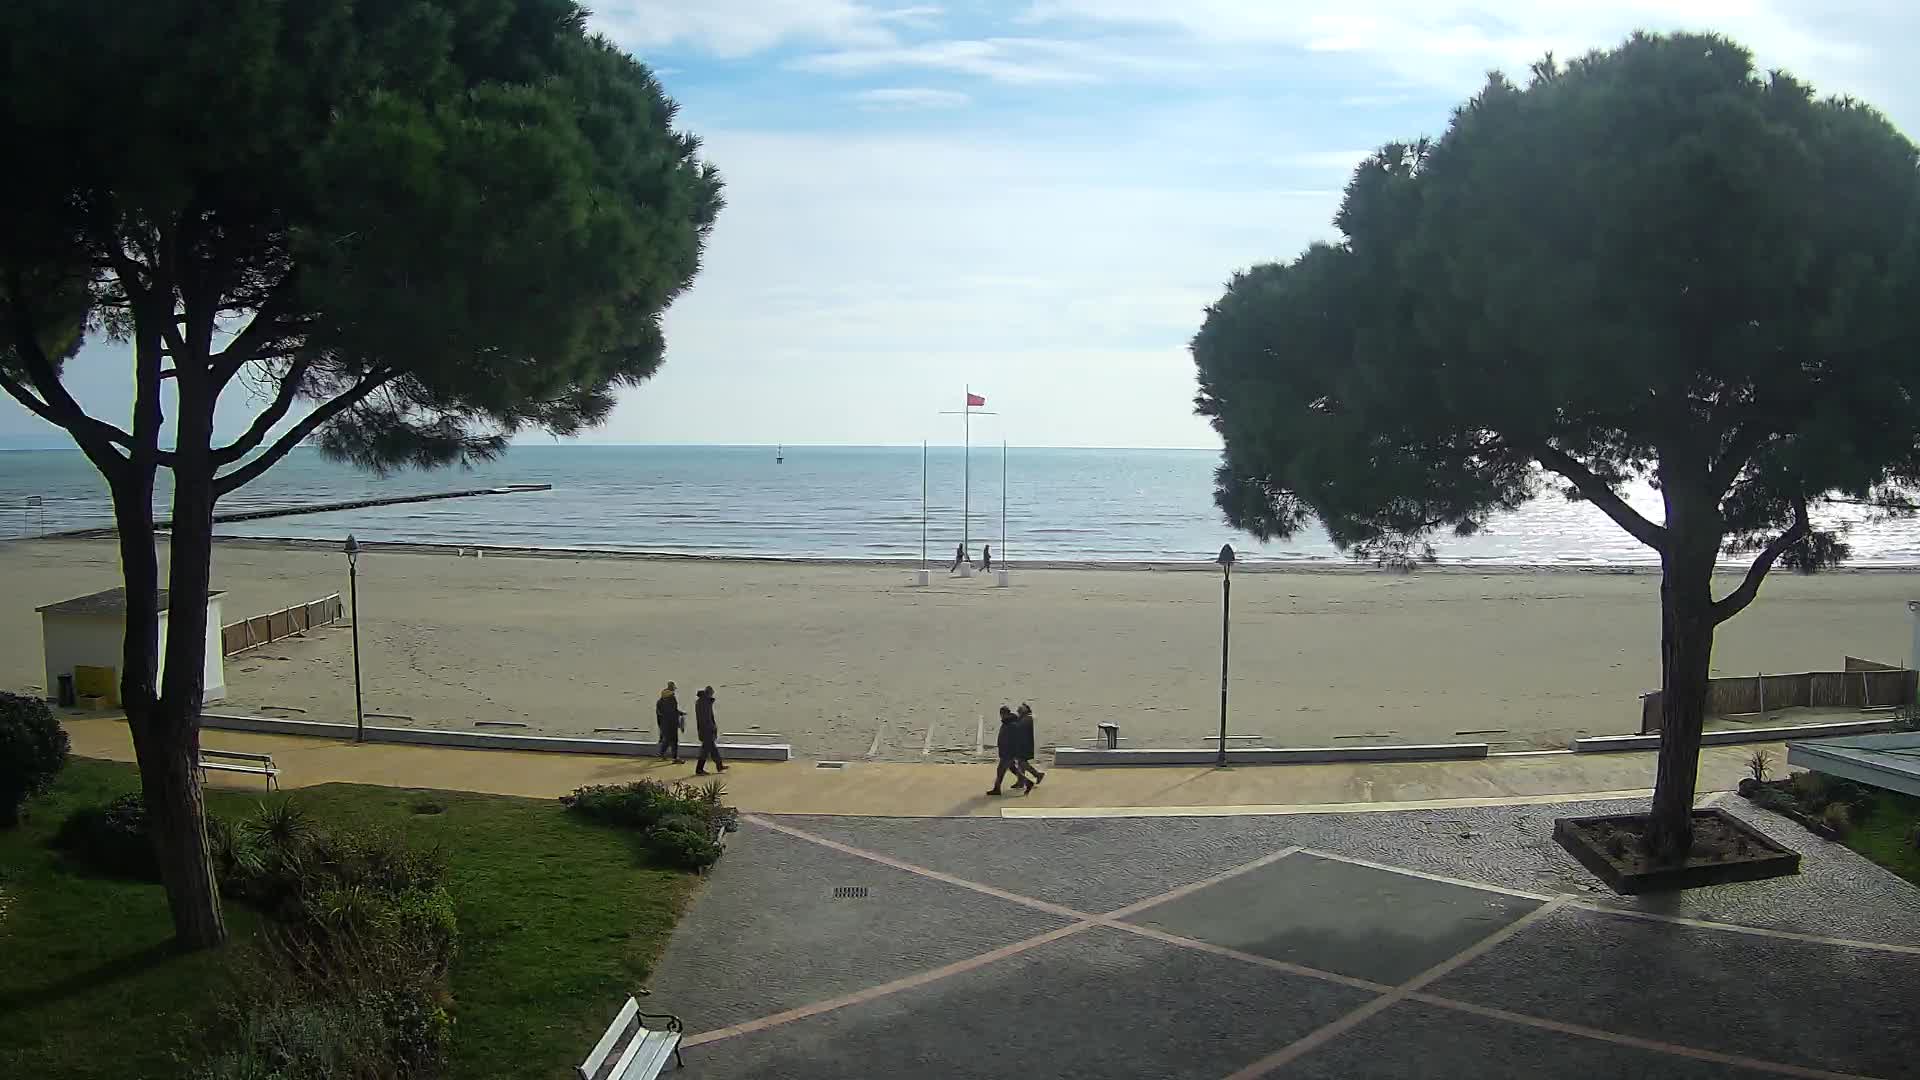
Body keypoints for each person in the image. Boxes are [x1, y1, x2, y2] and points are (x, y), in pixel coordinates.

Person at [988, 705, 1032, 795]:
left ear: (1005, 713)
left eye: (1002, 714)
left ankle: (997, 789)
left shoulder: (1011, 724)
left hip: (1008, 752)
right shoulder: (1008, 722)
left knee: (1000, 770)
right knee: (1013, 769)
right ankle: (1028, 783)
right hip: (1006, 751)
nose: (1001, 716)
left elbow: (1013, 739)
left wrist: (1012, 751)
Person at [694, 686, 726, 775]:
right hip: (706, 730)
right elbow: (706, 718)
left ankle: (719, 765)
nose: (713, 695)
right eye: (712, 693)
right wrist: (712, 728)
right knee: (705, 751)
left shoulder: (703, 702)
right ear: (709, 693)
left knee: (712, 749)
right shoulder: (704, 703)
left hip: (705, 729)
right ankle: (699, 769)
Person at [1015, 702, 1044, 788]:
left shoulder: (1026, 719)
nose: (1018, 711)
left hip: (1024, 744)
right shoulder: (1025, 718)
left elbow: (1019, 729)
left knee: (1021, 762)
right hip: (1024, 744)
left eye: (1019, 710)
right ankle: (1020, 782)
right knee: (1021, 762)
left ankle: (1037, 774)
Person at [655, 681, 685, 763]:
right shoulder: (672, 698)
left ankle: (661, 755)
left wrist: (660, 725)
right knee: (674, 741)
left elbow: (659, 713)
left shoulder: (660, 701)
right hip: (672, 723)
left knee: (667, 740)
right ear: (672, 689)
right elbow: (673, 711)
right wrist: (680, 714)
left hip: (664, 723)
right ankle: (675, 758)